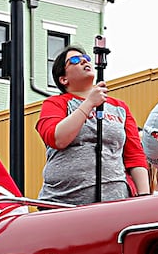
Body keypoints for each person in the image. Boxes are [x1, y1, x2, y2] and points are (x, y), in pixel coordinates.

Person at [36, 46, 150, 205]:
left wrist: (144, 197)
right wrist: (89, 103)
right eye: (75, 60)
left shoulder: (119, 108)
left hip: (115, 200)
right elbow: (58, 138)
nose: (83, 60)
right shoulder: (55, 104)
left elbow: (135, 156)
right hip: (63, 202)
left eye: (86, 58)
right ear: (64, 79)